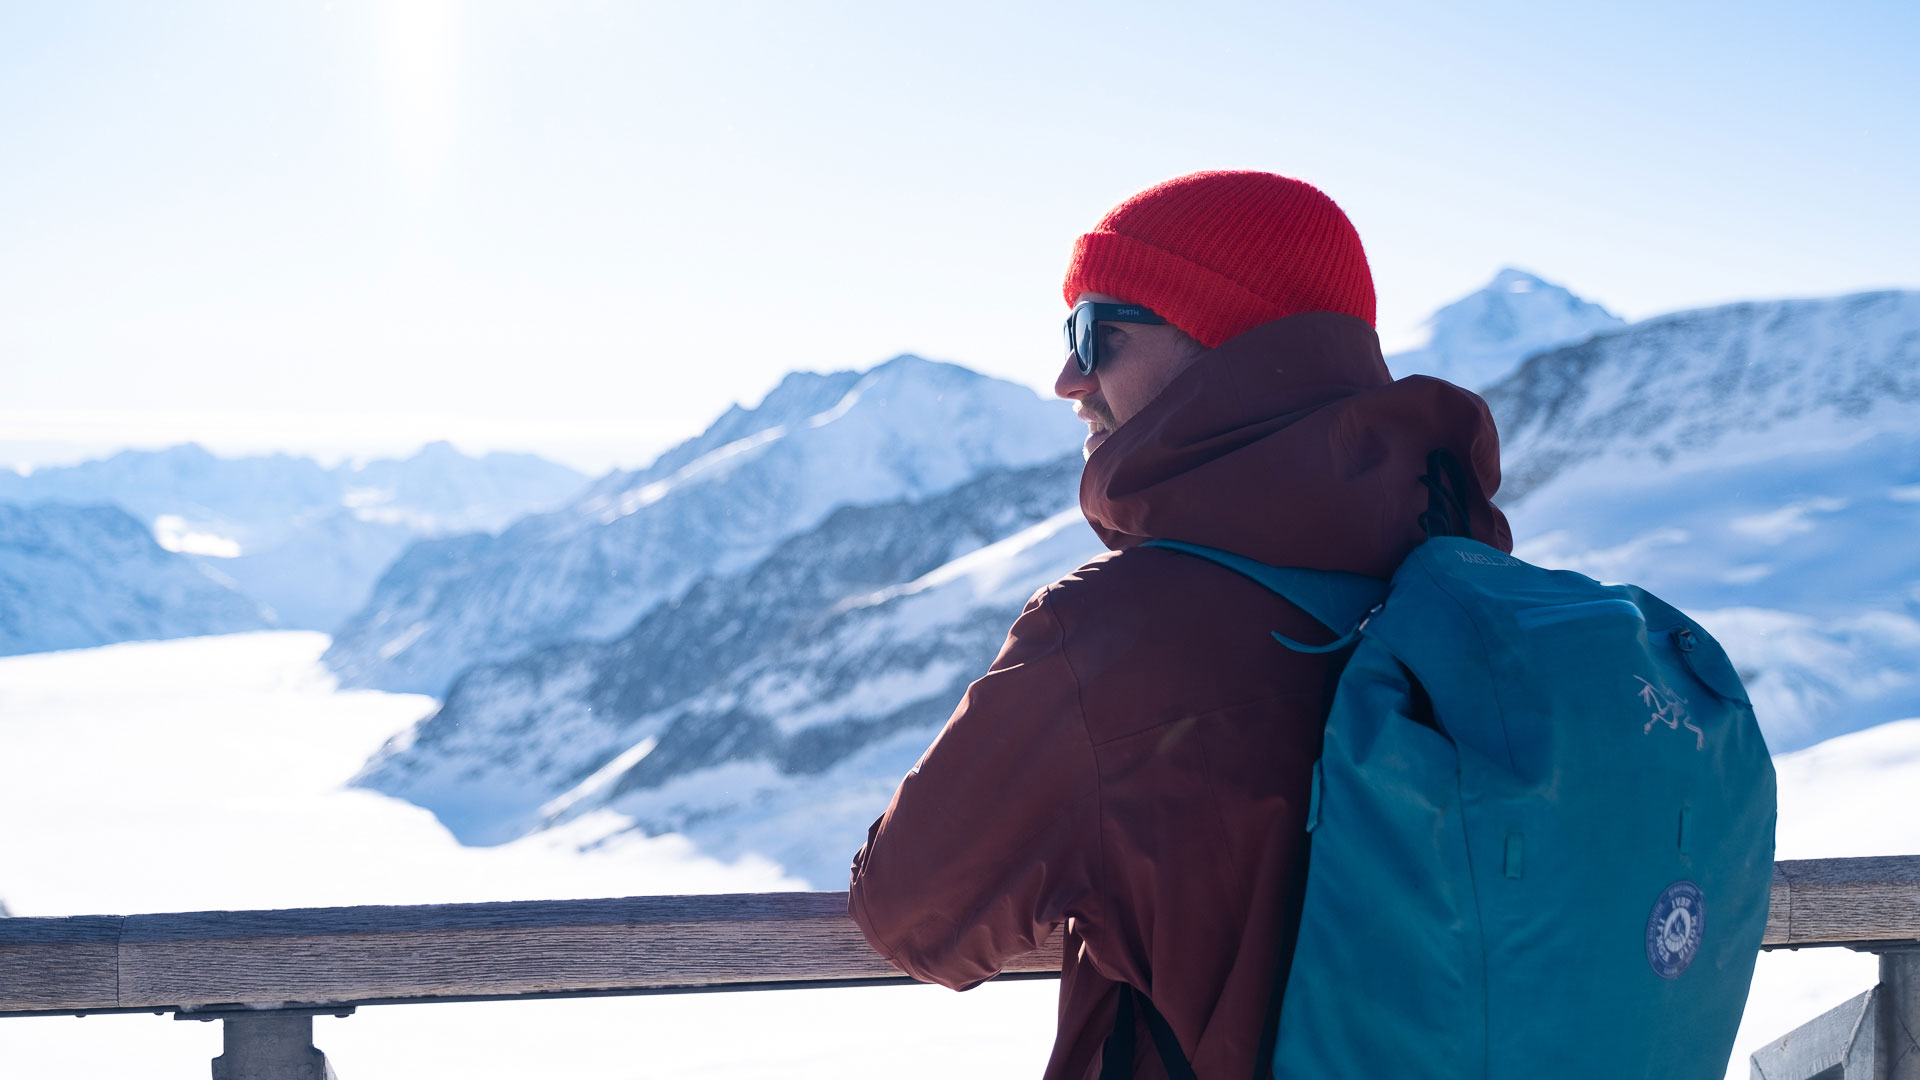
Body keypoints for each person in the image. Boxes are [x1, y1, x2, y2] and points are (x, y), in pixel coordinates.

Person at [847, 170, 1512, 1079]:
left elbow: (916, 916)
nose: (1066, 378)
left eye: (1097, 333)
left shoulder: (1110, 637)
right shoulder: (1479, 586)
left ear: (1222, 340)